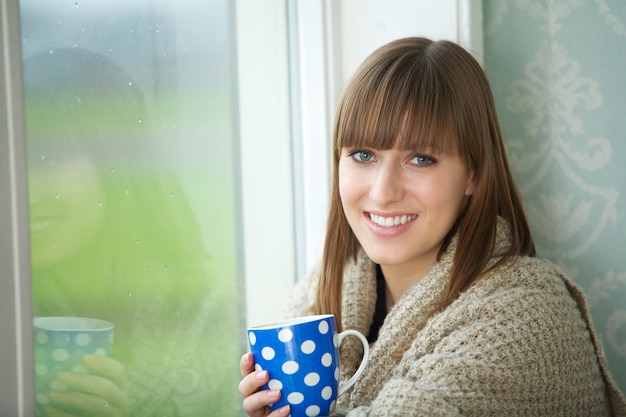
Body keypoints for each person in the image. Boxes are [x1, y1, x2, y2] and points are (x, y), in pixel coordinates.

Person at [238, 37, 626, 416]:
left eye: (420, 159)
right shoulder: (316, 296)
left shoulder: (527, 319)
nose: (383, 191)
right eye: (362, 154)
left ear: (472, 173)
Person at [25, 48, 240, 416]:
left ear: (114, 165)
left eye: (46, 159)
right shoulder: (13, 313)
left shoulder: (211, 307)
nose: (24, 192)